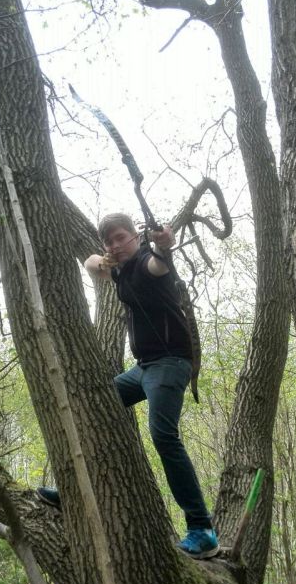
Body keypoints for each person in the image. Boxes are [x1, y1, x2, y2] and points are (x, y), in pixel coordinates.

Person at [38, 212, 219, 559]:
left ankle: (201, 528)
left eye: (121, 237)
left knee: (163, 435)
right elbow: (92, 265)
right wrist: (101, 257)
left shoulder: (150, 263)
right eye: (109, 241)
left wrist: (165, 245)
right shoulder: (118, 269)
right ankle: (75, 492)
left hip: (171, 363)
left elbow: (161, 261)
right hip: (145, 367)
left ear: (136, 236)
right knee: (92, 407)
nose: (115, 245)